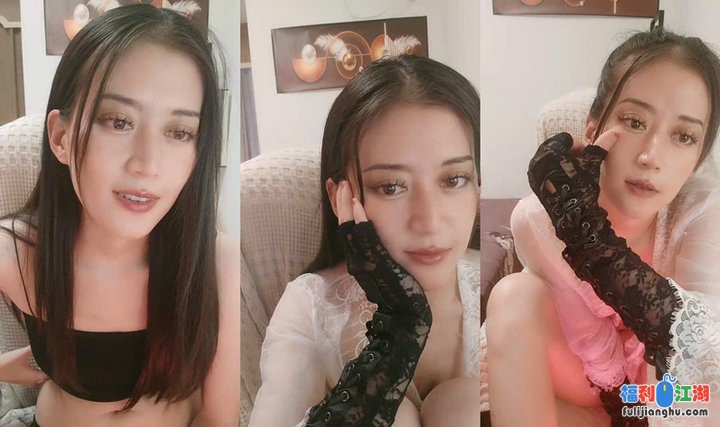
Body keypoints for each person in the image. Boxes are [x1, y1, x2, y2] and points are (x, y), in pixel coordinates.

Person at [0, 4, 240, 426]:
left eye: (179, 132)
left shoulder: (213, 261)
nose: (148, 165)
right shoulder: (16, 253)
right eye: (118, 122)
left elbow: (218, 419)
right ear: (60, 138)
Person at [485, 28, 720, 426]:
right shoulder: (538, 217)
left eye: (683, 136)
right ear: (593, 129)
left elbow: (705, 354)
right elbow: (587, 334)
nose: (651, 156)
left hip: (656, 395)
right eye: (634, 121)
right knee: (513, 295)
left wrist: (593, 244)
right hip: (586, 375)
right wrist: (618, 406)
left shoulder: (702, 211)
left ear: (697, 158)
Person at [248, 55, 481, 426]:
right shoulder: (313, 306)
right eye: (390, 187)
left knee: (463, 404)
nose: (429, 220)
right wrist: (399, 331)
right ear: (340, 197)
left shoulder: (491, 284)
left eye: (454, 180)